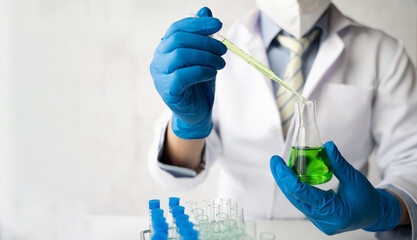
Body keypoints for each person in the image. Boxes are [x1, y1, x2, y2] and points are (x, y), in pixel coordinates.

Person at [149, 0, 417, 238]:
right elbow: (179, 172)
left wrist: (385, 209)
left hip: (344, 233)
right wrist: (189, 125)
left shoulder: (383, 53)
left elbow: (411, 161)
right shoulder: (215, 52)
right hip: (240, 230)